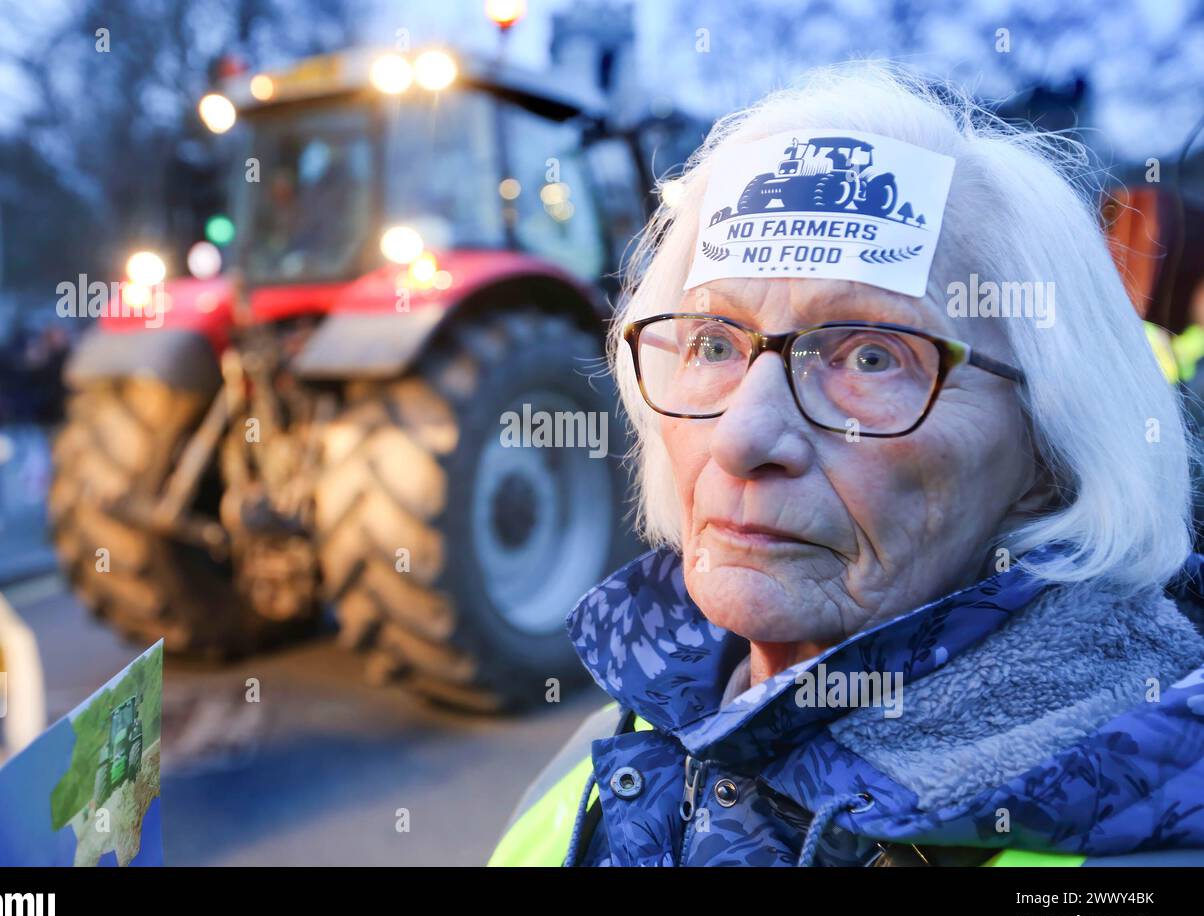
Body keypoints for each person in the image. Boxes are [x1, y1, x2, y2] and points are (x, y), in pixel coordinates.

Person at [490, 62, 1204, 867]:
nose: (741, 437)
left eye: (870, 357)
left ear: (1050, 451)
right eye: (714, 342)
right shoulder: (593, 773)